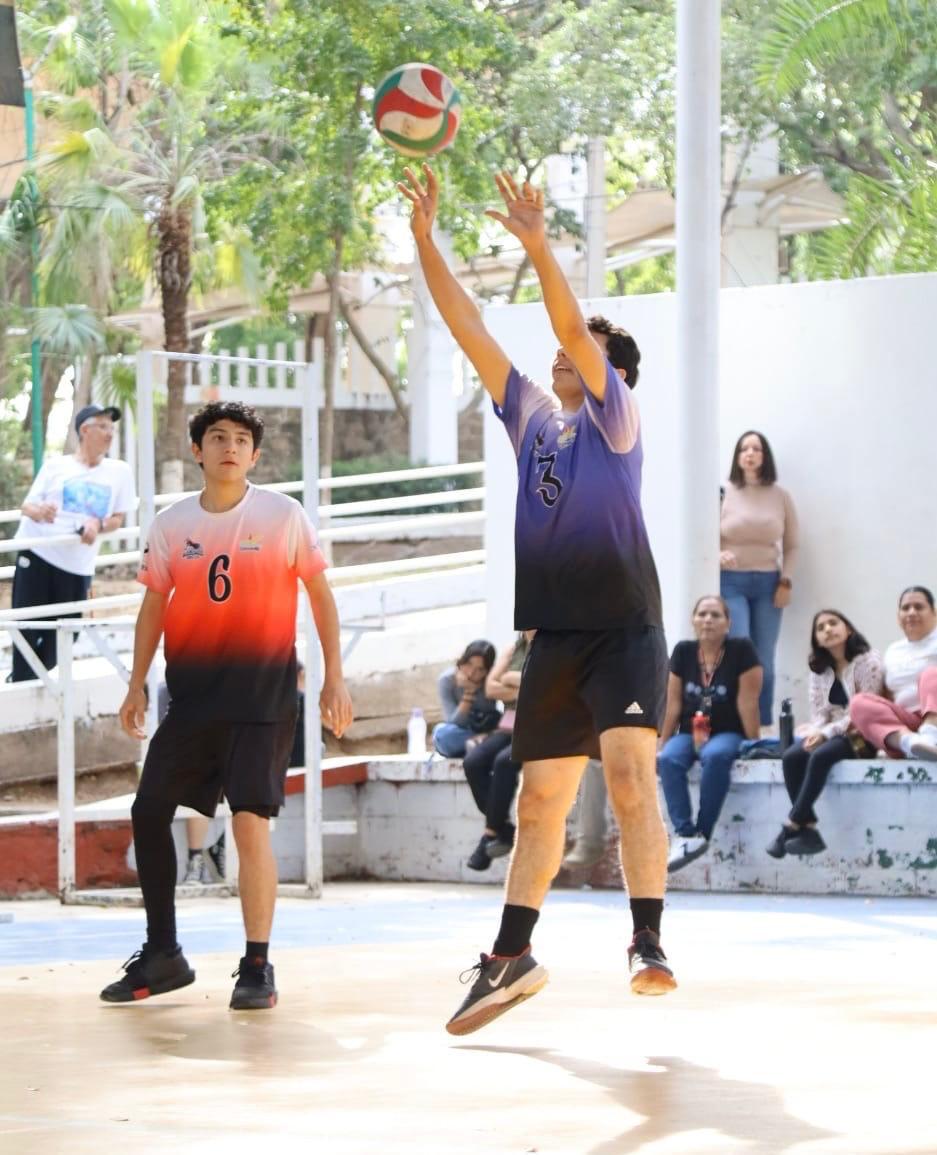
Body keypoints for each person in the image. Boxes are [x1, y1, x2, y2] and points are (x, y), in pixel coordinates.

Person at [401, 164, 676, 1037]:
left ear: (614, 372)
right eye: (566, 345)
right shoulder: (531, 418)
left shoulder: (617, 422)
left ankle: (646, 938)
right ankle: (509, 956)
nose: (564, 347)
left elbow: (563, 319)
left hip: (625, 626)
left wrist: (535, 243)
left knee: (630, 776)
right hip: (555, 632)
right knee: (536, 804)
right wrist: (422, 241)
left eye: (587, 346)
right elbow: (468, 326)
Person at [100, 401, 353, 1010]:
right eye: (218, 437)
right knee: (148, 808)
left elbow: (320, 597)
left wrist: (334, 679)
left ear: (255, 456)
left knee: (248, 823)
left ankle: (257, 966)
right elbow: (153, 606)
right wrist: (135, 682)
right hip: (191, 701)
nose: (230, 447)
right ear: (198, 451)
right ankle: (163, 952)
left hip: (262, 700)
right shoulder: (170, 524)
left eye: (242, 440)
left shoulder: (283, 515)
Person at [9, 405, 135, 681]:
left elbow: (117, 518)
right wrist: (40, 512)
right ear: (84, 430)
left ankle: (35, 677)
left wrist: (97, 525)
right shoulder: (57, 466)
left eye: (112, 428)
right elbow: (26, 506)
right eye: (103, 426)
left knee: (70, 629)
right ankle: (21, 682)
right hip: (39, 553)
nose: (109, 434)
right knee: (28, 624)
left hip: (78, 565)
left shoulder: (119, 472)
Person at [766, 609, 882, 859]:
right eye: (821, 627)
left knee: (820, 756)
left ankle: (791, 826)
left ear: (848, 629)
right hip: (833, 734)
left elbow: (862, 710)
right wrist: (816, 731)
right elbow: (820, 713)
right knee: (792, 756)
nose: (828, 629)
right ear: (817, 639)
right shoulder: (819, 671)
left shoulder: (868, 662)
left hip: (864, 734)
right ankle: (807, 828)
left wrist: (826, 734)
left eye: (833, 623)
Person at [658, 596, 762, 872]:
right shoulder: (683, 651)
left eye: (716, 615)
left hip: (728, 732)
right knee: (668, 759)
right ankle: (685, 833)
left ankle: (702, 832)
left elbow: (748, 702)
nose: (708, 620)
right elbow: (673, 702)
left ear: (728, 623)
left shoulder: (742, 650)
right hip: (690, 730)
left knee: (715, 756)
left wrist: (754, 744)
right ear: (693, 620)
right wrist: (662, 741)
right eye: (702, 614)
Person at [719, 430, 798, 726]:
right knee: (741, 650)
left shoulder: (780, 496)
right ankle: (737, 722)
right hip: (731, 583)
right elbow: (703, 538)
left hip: (768, 584)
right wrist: (717, 556)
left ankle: (762, 726)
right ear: (737, 456)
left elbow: (792, 545)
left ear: (765, 456)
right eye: (744, 449)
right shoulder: (722, 492)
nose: (750, 454)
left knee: (764, 657)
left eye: (756, 448)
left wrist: (785, 580)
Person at [463, 632, 532, 871]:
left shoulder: (553, 648)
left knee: (504, 762)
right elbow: (491, 688)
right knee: (473, 762)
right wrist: (526, 683)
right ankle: (503, 828)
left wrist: (510, 678)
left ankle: (489, 836)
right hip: (509, 724)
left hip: (539, 726)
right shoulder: (513, 649)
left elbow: (549, 688)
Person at [850, 586, 937, 762]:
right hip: (908, 722)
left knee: (930, 674)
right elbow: (887, 695)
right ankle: (910, 743)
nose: (911, 612)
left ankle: (931, 735)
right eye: (905, 608)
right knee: (858, 702)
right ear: (899, 617)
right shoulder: (893, 650)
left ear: (934, 613)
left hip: (933, 718)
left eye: (919, 607)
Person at [433, 639, 500, 757]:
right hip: (462, 733)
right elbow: (454, 722)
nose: (471, 673)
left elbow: (489, 715)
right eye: (469, 664)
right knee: (442, 734)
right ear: (462, 660)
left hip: (485, 730)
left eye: (480, 669)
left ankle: (480, 745)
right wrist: (469, 693)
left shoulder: (490, 682)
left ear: (487, 671)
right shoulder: (446, 680)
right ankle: (481, 744)